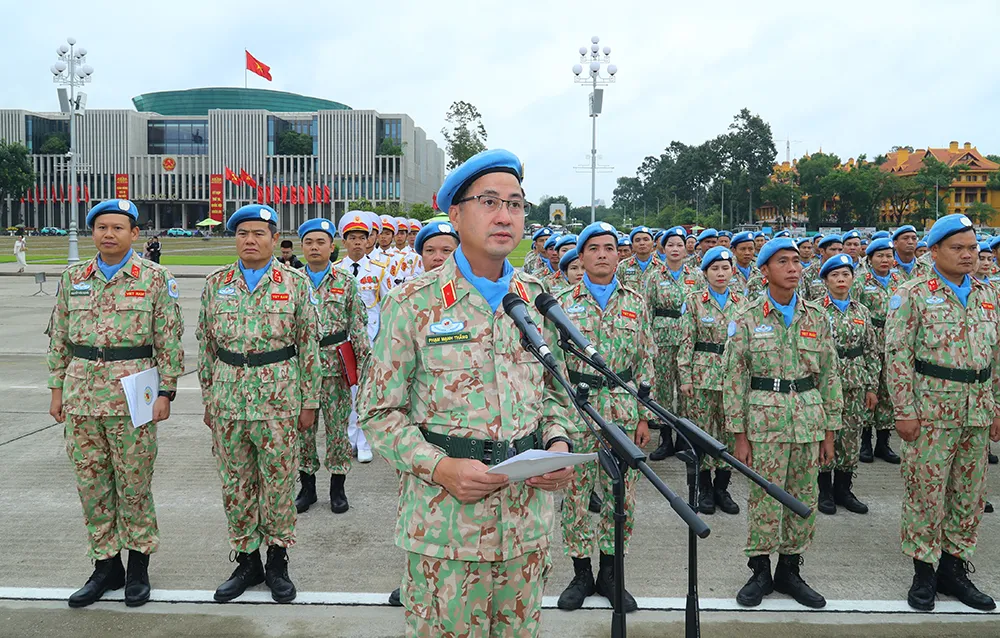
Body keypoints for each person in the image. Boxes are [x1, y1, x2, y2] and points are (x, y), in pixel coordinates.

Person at [357, 149, 575, 636]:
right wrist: (441, 466)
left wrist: (558, 445)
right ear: (455, 215)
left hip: (525, 528)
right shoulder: (414, 303)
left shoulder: (536, 299)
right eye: (490, 201)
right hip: (445, 530)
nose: (505, 215)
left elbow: (557, 396)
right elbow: (377, 412)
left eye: (516, 204)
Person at [46, 198, 184, 608]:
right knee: (92, 484)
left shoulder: (155, 277)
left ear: (134, 233)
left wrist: (166, 391)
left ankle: (138, 564)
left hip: (133, 396)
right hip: (81, 394)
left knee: (134, 484)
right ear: (92, 232)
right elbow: (59, 337)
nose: (109, 234)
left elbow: (168, 339)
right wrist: (56, 390)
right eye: (101, 227)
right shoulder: (73, 277)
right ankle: (106, 565)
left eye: (118, 227)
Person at [197, 203, 321, 604]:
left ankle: (277, 561)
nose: (250, 240)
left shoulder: (296, 284)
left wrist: (310, 402)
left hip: (279, 400)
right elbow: (206, 347)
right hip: (229, 399)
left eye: (258, 234)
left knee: (279, 484)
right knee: (236, 485)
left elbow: (308, 348)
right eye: (242, 234)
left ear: (273, 239)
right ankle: (247, 561)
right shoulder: (217, 284)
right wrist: (208, 399)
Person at [886, 213, 1000, 612]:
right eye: (958, 248)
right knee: (926, 494)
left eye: (972, 248)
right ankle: (924, 572)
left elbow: (996, 356)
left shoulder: (989, 294)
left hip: (977, 411)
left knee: (968, 495)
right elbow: (897, 356)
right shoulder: (913, 294)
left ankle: (954, 568)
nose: (968, 255)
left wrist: (997, 406)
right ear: (933, 251)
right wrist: (904, 410)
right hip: (931, 411)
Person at [724, 237, 842, 609]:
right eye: (783, 262)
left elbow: (829, 375)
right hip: (764, 423)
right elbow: (734, 378)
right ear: (764, 271)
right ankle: (759, 569)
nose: (793, 268)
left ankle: (790, 569)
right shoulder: (746, 317)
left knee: (803, 497)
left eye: (796, 261)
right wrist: (738, 435)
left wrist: (830, 432)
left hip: (808, 419)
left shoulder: (817, 317)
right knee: (765, 498)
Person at [553, 221, 653, 613]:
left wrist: (644, 417)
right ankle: (581, 573)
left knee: (621, 496)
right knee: (577, 495)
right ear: (581, 256)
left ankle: (611, 573)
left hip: (624, 411)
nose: (602, 254)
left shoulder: (635, 302)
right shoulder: (560, 302)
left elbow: (647, 361)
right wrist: (557, 420)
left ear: (619, 254)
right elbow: (554, 365)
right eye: (593, 248)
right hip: (578, 408)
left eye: (610, 247)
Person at [293, 218, 370, 515]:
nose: (314, 247)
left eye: (320, 242)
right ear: (302, 247)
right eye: (309, 242)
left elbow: (358, 326)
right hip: (301, 370)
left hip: (335, 368)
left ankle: (337, 488)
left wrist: (364, 368)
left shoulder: (345, 282)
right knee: (304, 432)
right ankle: (307, 487)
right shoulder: (291, 280)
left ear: (331, 247)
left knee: (338, 431)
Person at [677, 246, 743, 515]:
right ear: (704, 272)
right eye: (714, 268)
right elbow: (685, 342)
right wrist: (685, 377)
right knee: (701, 434)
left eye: (725, 268)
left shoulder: (742, 303)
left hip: (732, 380)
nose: (720, 273)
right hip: (701, 377)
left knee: (728, 432)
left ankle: (722, 487)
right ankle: (702, 488)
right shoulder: (694, 301)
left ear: (733, 271)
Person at [815, 255, 878, 516]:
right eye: (835, 275)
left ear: (853, 278)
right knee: (826, 435)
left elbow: (871, 350)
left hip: (855, 383)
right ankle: (824, 491)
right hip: (826, 385)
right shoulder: (816, 310)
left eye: (846, 275)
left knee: (850, 438)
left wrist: (872, 385)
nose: (841, 280)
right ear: (825, 281)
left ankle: (844, 489)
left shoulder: (861, 311)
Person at [644, 226, 703, 460]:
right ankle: (666, 439)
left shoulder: (696, 276)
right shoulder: (654, 276)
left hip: (688, 342)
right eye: (671, 245)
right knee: (664, 392)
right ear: (663, 248)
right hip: (662, 340)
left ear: (686, 248)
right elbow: (646, 310)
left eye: (680, 244)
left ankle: (686, 440)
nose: (676, 249)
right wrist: (648, 342)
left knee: (688, 390)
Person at [335, 212, 389, 464]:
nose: (357, 242)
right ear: (344, 242)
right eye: (352, 238)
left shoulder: (379, 270)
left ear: (369, 241)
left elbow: (388, 304)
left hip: (372, 339)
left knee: (367, 392)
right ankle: (349, 439)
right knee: (347, 392)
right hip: (343, 341)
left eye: (362, 238)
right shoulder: (336, 271)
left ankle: (365, 441)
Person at [852, 238, 902, 465]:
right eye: (879, 256)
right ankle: (865, 443)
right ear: (870, 258)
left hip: (894, 341)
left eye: (889, 256)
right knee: (868, 389)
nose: (885, 260)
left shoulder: (899, 280)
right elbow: (854, 311)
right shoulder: (861, 281)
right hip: (870, 341)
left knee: (888, 392)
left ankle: (883, 443)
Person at [616, 226, 659, 299]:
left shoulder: (662, 267)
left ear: (652, 243)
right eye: (637, 240)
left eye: (646, 239)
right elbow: (617, 292)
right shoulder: (623, 266)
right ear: (632, 245)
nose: (642, 243)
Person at [729, 232, 760, 297]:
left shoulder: (760, 271)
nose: (747, 253)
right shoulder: (727, 271)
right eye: (743, 249)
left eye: (750, 249)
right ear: (734, 250)